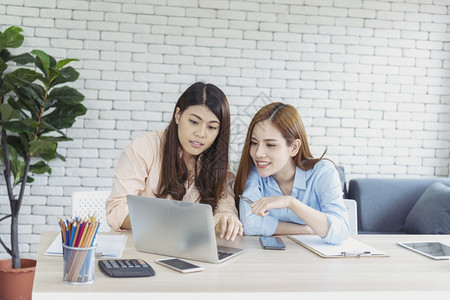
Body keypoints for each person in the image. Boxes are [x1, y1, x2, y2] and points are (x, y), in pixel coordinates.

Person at [106, 82, 243, 241]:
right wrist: (174, 222)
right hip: (144, 247)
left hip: (194, 250)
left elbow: (224, 205)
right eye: (194, 122)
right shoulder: (144, 147)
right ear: (178, 115)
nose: (201, 134)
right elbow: (117, 211)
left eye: (212, 127)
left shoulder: (217, 160)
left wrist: (227, 218)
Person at [234, 102, 349, 244]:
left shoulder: (323, 172)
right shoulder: (255, 172)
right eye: (254, 142)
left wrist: (290, 202)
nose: (258, 153)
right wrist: (306, 229)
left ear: (294, 147)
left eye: (270, 145)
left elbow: (341, 231)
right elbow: (250, 225)